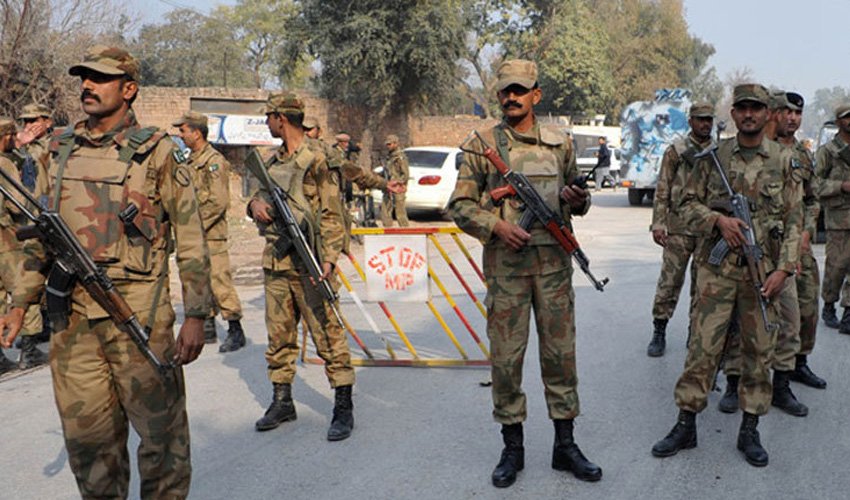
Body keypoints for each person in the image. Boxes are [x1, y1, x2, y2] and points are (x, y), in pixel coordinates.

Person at [0, 45, 212, 499]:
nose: (88, 86)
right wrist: (20, 304)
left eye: (100, 78)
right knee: (90, 447)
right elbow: (41, 236)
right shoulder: (57, 151)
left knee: (163, 443)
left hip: (139, 317)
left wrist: (197, 313)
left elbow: (192, 237)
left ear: (129, 89)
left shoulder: (158, 152)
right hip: (71, 322)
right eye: (84, 78)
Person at [449, 59, 602, 488]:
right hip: (507, 273)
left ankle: (564, 445)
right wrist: (496, 226)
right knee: (507, 362)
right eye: (505, 90)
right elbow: (460, 206)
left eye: (520, 90)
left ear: (536, 94)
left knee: (560, 359)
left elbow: (577, 200)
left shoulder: (560, 144)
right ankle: (512, 448)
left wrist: (577, 198)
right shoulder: (481, 145)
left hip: (554, 269)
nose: (511, 97)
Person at [651, 84, 802, 468]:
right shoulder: (710, 157)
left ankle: (749, 430)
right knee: (702, 349)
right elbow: (683, 206)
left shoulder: (784, 161)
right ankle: (686, 423)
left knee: (758, 352)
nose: (749, 114)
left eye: (756, 108)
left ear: (767, 113)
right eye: (742, 108)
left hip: (762, 273)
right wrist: (717, 219)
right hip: (715, 271)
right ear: (733, 114)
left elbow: (795, 220)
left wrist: (784, 269)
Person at [248, 93, 355, 441]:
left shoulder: (318, 158)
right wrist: (255, 206)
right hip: (277, 261)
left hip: (311, 261)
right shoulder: (270, 161)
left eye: (269, 117)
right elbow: (256, 196)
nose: (267, 123)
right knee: (279, 336)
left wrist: (329, 257)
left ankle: (343, 405)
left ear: (281, 118)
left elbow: (331, 212)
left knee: (328, 334)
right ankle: (282, 400)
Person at [717, 91, 811, 417]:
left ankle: (781, 386)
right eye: (784, 112)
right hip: (738, 256)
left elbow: (803, 204)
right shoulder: (736, 152)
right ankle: (732, 382)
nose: (790, 118)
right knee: (735, 323)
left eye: (795, 113)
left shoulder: (798, 155)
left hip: (781, 257)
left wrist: (797, 245)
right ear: (772, 114)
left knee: (788, 321)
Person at [173, 111, 245, 352]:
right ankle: (208, 329)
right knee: (198, 280)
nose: (180, 135)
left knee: (219, 280)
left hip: (210, 233)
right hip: (195, 234)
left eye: (183, 130)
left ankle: (236, 329)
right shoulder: (190, 160)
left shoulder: (213, 161)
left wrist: (195, 227)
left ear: (196, 132)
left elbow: (218, 202)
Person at [647, 102, 715, 357]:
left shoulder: (719, 152)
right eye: (700, 119)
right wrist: (659, 222)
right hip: (678, 228)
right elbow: (663, 188)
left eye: (708, 119)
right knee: (670, 282)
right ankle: (659, 330)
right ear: (691, 121)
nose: (705, 124)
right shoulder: (676, 150)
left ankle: (694, 333)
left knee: (703, 286)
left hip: (706, 229)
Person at [0, 117, 49, 370]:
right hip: (6, 237)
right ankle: (29, 351)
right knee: (22, 284)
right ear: (6, 137)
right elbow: (16, 200)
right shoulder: (5, 163)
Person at [815, 103, 850, 334]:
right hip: (838, 218)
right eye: (847, 117)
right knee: (837, 266)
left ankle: (848, 312)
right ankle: (829, 304)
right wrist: (842, 186)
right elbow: (814, 184)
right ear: (838, 121)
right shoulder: (828, 151)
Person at [380, 134, 410, 227]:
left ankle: (405, 231)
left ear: (396, 144)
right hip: (388, 186)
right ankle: (388, 230)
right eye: (387, 144)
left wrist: (397, 182)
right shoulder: (389, 157)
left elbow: (405, 175)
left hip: (398, 187)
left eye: (390, 144)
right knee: (385, 210)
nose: (388, 146)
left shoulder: (400, 157)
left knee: (400, 212)